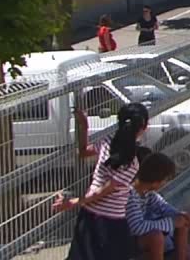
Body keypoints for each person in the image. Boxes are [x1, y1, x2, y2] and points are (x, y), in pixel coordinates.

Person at [55, 103, 150, 260]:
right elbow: (104, 191)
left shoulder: (107, 142)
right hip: (111, 223)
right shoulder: (132, 162)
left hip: (89, 216)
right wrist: (73, 202)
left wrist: (84, 126)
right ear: (144, 127)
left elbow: (84, 152)